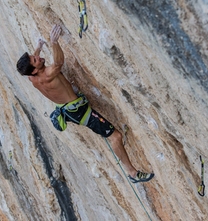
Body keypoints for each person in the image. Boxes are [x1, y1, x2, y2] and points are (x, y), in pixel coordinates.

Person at [16, 24, 154, 183]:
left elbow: (33, 62)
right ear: (34, 70)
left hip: (68, 109)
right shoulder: (48, 74)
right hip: (80, 112)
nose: (38, 58)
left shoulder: (32, 78)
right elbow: (59, 63)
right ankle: (133, 173)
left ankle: (131, 171)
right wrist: (54, 42)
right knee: (115, 136)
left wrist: (38, 47)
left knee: (113, 135)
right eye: (36, 60)